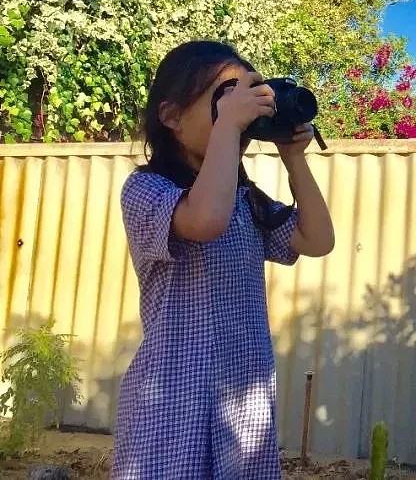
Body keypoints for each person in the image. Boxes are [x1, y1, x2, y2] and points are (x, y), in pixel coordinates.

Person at [110, 40, 335, 479]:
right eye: (222, 98)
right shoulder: (146, 191)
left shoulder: (244, 201)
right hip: (171, 398)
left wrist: (294, 160)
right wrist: (230, 126)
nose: (237, 111)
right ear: (171, 116)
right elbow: (205, 219)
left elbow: (318, 239)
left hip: (242, 401)